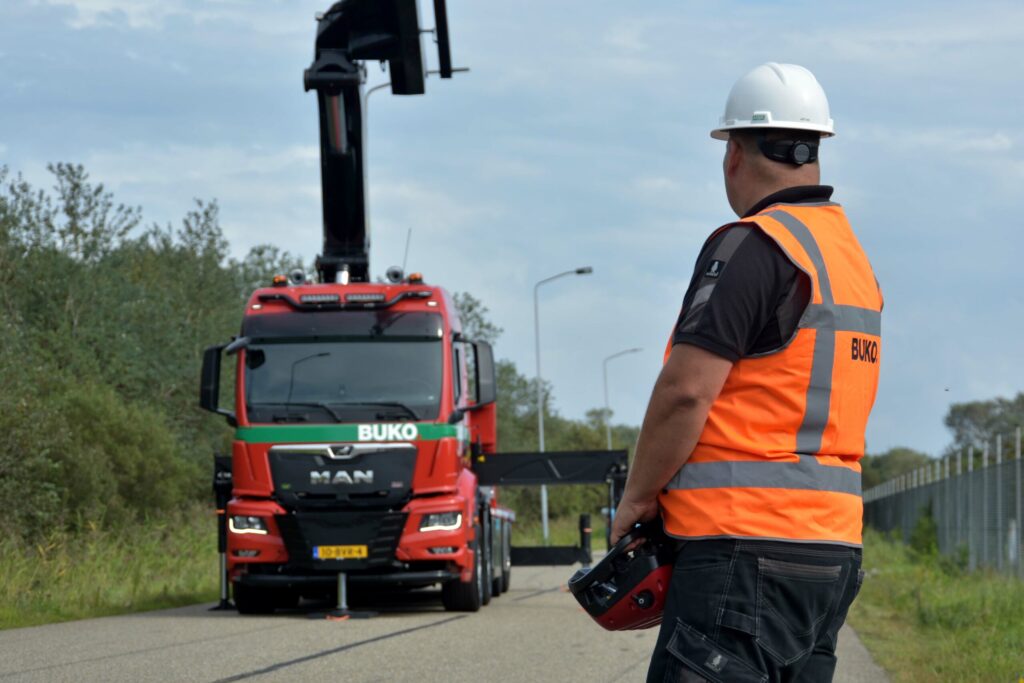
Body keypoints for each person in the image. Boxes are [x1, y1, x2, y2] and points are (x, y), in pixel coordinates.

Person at [610, 62, 883, 683]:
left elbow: (685, 393)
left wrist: (639, 497)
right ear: (815, 151)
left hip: (741, 548)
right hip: (833, 555)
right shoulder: (851, 262)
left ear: (733, 152)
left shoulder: (753, 245)